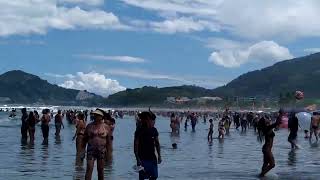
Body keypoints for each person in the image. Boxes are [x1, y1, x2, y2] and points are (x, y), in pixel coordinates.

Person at [134, 111, 161, 180]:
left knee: (154, 176)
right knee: (142, 177)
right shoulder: (139, 131)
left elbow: (157, 144)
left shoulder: (154, 130)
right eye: (141, 118)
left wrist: (159, 156)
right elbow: (135, 145)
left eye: (142, 118)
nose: (141, 120)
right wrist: (137, 158)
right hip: (142, 158)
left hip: (152, 158)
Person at [83, 109, 109, 180]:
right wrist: (82, 151)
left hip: (101, 151)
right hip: (91, 150)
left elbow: (108, 141)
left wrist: (108, 154)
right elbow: (84, 139)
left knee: (100, 170)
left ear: (101, 117)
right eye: (94, 115)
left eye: (97, 115)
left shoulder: (106, 127)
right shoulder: (89, 126)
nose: (95, 116)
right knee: (89, 169)